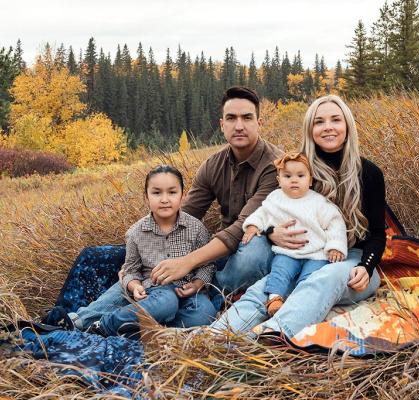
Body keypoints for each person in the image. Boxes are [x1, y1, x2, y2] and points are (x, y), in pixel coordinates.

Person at [44, 86, 282, 330]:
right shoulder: (213, 165)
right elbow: (182, 217)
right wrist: (135, 265)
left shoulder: (275, 166)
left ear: (259, 123)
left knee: (251, 254)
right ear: (222, 124)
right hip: (217, 252)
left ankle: (208, 294)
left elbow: (239, 231)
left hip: (253, 248)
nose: (239, 125)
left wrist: (187, 263)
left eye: (247, 118)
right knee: (140, 266)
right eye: (231, 118)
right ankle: (80, 319)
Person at [211, 95, 386, 338]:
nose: (328, 127)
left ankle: (273, 336)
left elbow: (377, 233)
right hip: (301, 254)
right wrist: (272, 234)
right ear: (310, 129)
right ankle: (211, 339)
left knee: (323, 278)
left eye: (336, 120)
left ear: (347, 125)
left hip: (349, 258)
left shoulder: (368, 173)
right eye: (319, 121)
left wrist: (366, 267)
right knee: (267, 288)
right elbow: (273, 211)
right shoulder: (298, 170)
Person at [66, 165, 217, 336]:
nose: (165, 199)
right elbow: (130, 270)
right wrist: (135, 286)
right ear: (146, 197)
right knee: (166, 302)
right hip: (155, 293)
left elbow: (207, 265)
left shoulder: (196, 228)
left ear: (182, 196)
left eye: (172, 192)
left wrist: (197, 285)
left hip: (187, 293)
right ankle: (105, 325)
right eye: (157, 193)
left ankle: (144, 329)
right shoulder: (135, 232)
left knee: (205, 313)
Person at [241, 152, 347, 316]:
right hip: (287, 252)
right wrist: (253, 226)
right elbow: (262, 213)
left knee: (311, 278)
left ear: (310, 180)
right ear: (279, 180)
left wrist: (335, 246)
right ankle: (275, 299)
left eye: (300, 175)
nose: (294, 180)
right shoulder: (275, 198)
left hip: (316, 254)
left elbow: (335, 223)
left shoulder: (318, 202)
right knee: (279, 272)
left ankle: (299, 302)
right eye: (287, 176)